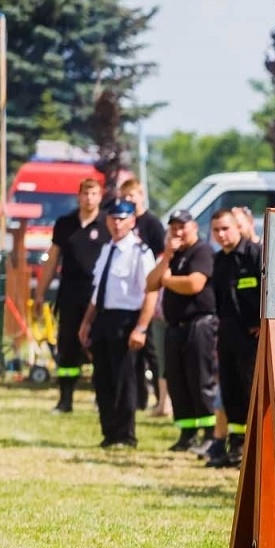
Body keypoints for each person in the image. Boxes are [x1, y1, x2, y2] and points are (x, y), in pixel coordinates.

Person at [77, 199, 157, 450]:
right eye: (112, 218)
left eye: (122, 218)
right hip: (103, 318)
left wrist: (141, 328)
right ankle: (109, 432)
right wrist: (87, 321)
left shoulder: (139, 252)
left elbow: (150, 292)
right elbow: (97, 290)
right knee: (103, 379)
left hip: (126, 319)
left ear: (133, 220)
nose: (117, 223)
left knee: (124, 379)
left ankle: (125, 434)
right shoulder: (106, 248)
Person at [149, 210, 220, 453]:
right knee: (178, 382)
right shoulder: (173, 256)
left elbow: (194, 284)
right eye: (174, 228)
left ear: (193, 227)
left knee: (200, 380)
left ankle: (210, 433)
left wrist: (167, 281)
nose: (178, 232)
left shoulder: (202, 251)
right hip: (175, 327)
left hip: (199, 325)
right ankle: (187, 432)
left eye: (182, 227)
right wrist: (167, 256)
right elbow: (150, 283)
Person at [35, 177, 104, 414]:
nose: (89, 199)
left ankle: (100, 397)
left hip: (96, 296)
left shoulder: (107, 224)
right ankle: (65, 399)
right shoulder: (65, 224)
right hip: (69, 294)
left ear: (100, 196)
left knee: (97, 347)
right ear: (79, 196)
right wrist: (40, 294)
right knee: (67, 346)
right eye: (85, 194)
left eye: (94, 194)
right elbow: (53, 259)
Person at [209, 208, 261, 469]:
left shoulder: (255, 255)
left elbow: (271, 292)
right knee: (231, 393)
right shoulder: (218, 261)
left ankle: (254, 449)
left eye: (225, 228)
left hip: (252, 340)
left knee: (251, 391)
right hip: (227, 337)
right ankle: (236, 445)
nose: (221, 234)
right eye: (216, 230)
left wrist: (264, 324)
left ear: (237, 227)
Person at [119, 179, 168, 418]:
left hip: (149, 294)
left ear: (141, 196)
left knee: (153, 353)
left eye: (132, 197)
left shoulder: (152, 224)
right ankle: (139, 399)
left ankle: (163, 400)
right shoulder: (126, 223)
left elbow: (161, 260)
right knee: (134, 357)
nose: (129, 201)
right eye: (124, 197)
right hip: (130, 298)